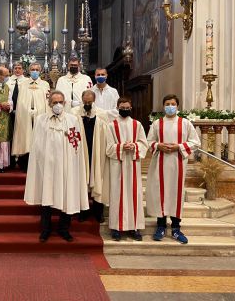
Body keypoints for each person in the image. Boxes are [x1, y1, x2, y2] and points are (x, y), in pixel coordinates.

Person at [24, 90, 88, 242]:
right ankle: (45, 230)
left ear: (65, 103)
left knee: (67, 195)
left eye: (60, 102)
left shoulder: (73, 120)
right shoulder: (41, 120)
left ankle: (64, 229)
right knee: (47, 196)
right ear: (49, 104)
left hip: (67, 165)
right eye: (54, 102)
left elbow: (77, 143)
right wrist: (40, 163)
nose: (58, 105)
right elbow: (36, 144)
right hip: (47, 166)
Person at [146, 94, 201, 244]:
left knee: (176, 194)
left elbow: (195, 142)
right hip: (160, 163)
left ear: (178, 106)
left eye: (173, 104)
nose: (170, 106)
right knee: (161, 193)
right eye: (167, 104)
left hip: (178, 164)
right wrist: (158, 145)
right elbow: (148, 141)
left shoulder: (185, 123)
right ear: (163, 106)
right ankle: (161, 226)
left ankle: (176, 228)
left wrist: (179, 146)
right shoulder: (157, 123)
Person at [106, 97, 148, 241]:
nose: (125, 110)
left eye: (127, 107)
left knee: (133, 194)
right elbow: (108, 147)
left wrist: (135, 146)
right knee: (117, 195)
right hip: (117, 164)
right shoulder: (111, 125)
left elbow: (144, 144)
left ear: (131, 108)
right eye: (122, 108)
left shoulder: (138, 125)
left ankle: (134, 227)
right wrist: (121, 147)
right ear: (118, 108)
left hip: (132, 164)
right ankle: (116, 227)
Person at [71, 90, 109, 223]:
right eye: (85, 101)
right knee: (81, 180)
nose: (87, 104)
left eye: (90, 102)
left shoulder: (101, 114)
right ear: (82, 99)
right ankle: (83, 211)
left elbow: (106, 133)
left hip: (96, 150)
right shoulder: (74, 113)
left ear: (94, 100)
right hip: (80, 151)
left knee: (98, 179)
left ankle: (98, 211)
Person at [12, 62, 50, 171]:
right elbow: (20, 102)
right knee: (26, 137)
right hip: (25, 115)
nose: (34, 71)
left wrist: (39, 111)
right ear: (29, 71)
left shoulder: (45, 84)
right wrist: (26, 110)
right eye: (32, 69)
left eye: (36, 69)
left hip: (40, 115)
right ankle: (25, 163)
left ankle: (39, 163)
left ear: (40, 71)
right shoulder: (23, 84)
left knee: (39, 138)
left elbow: (47, 101)